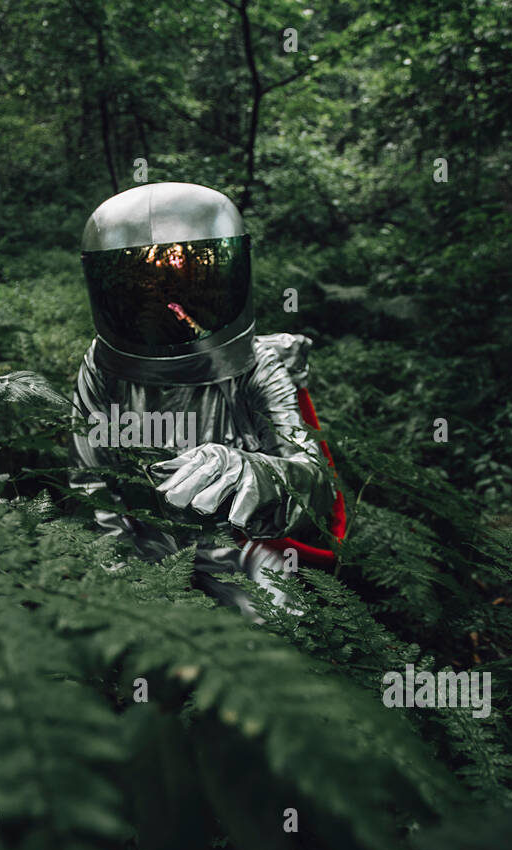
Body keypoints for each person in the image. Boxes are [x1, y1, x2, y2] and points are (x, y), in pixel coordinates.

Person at [69, 181, 345, 621]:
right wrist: (119, 575)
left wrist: (250, 473)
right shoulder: (103, 367)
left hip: (238, 544)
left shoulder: (256, 363)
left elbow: (316, 489)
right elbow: (92, 482)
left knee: (281, 631)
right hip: (146, 541)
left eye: (180, 284)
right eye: (148, 287)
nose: (164, 306)